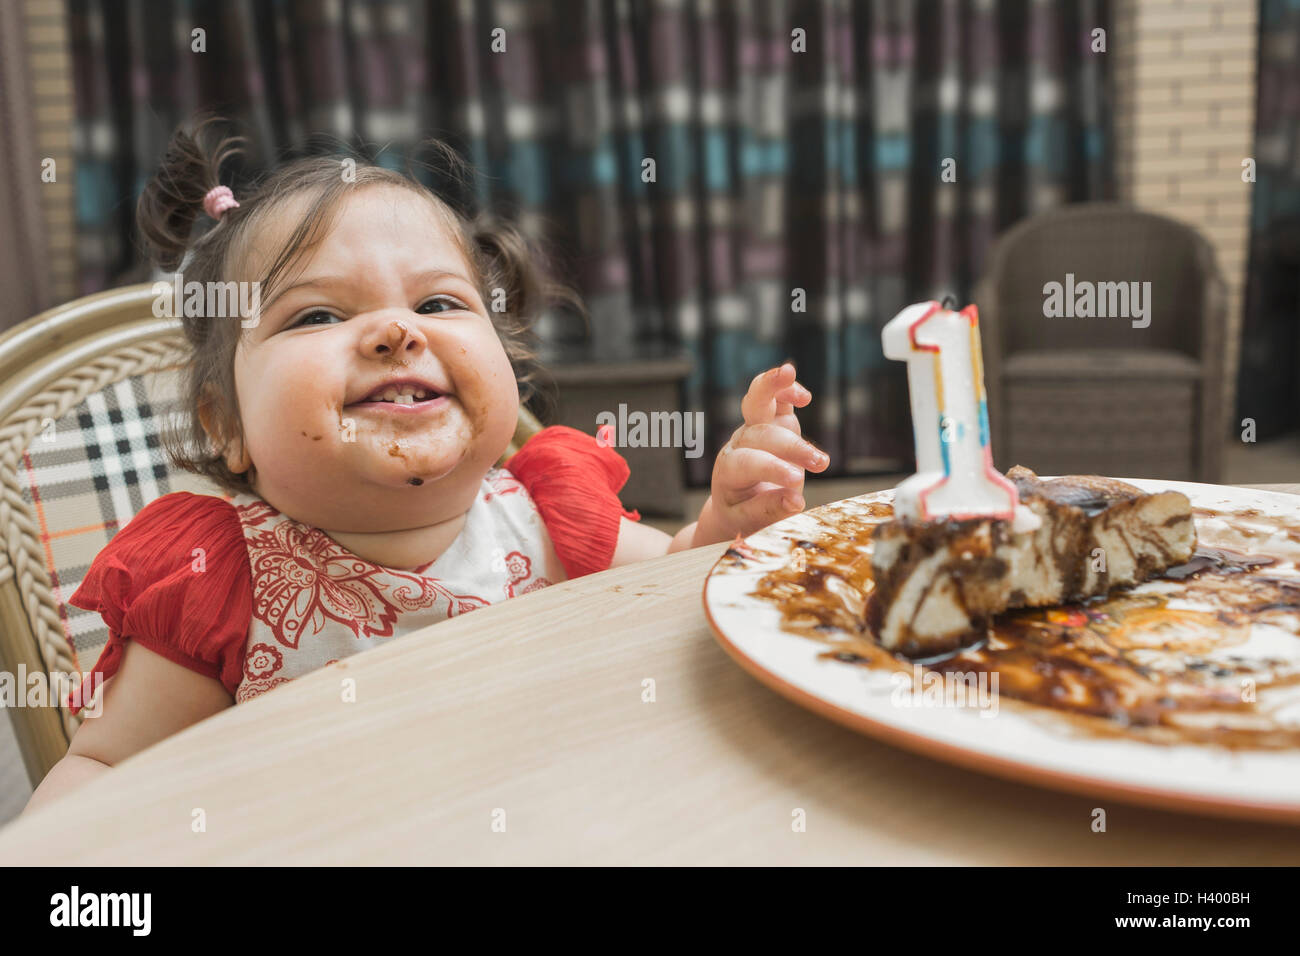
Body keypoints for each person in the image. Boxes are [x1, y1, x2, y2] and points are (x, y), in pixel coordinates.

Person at [23, 119, 828, 812]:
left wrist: (731, 519)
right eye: (318, 314)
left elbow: (679, 581)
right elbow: (105, 767)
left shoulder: (550, 516)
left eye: (438, 304)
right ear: (226, 428)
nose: (392, 332)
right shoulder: (218, 580)